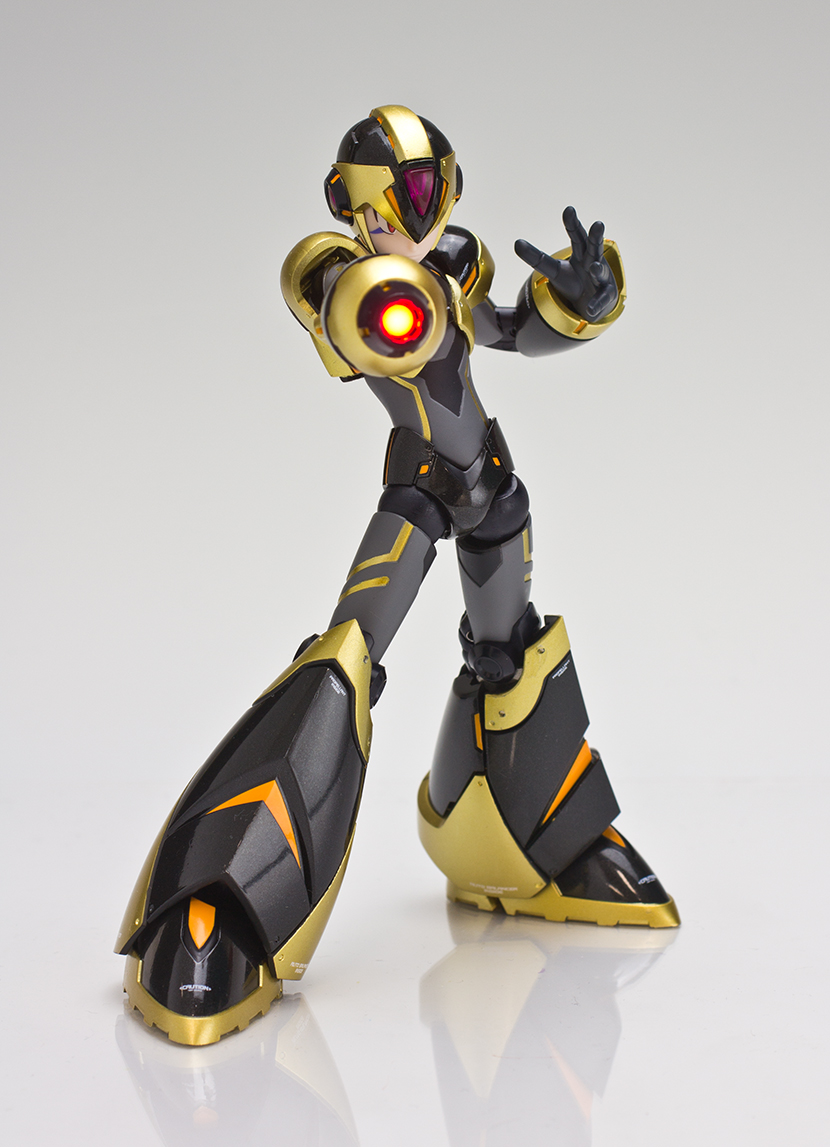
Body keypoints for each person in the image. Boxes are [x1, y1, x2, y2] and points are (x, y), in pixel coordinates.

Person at [116, 105, 678, 1047]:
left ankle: (537, 846)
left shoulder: (454, 263)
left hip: (492, 492)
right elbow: (365, 317)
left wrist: (579, 301)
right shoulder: (337, 273)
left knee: (509, 656)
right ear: (356, 204)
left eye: (432, 187)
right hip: (419, 493)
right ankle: (225, 890)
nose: (419, 211)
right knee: (347, 659)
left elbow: (506, 330)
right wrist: (373, 280)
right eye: (402, 195)